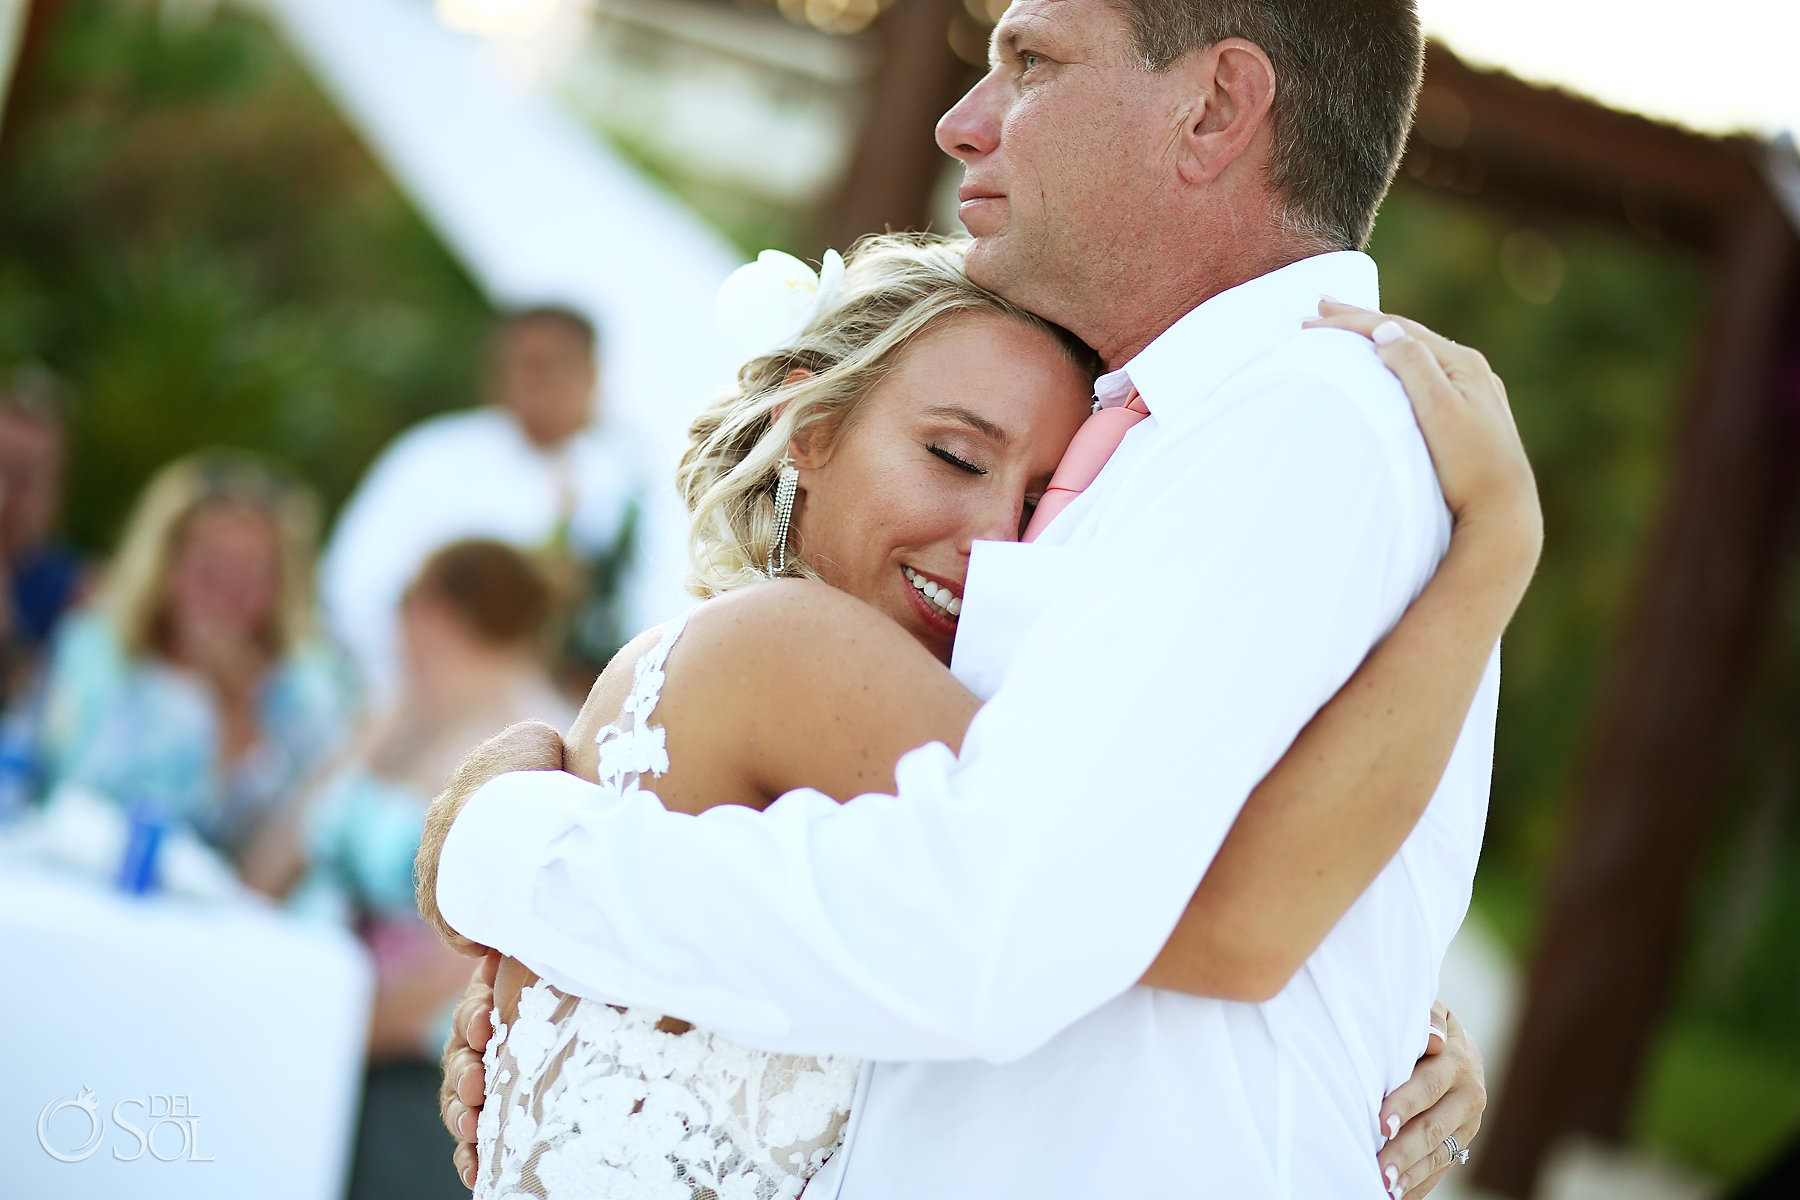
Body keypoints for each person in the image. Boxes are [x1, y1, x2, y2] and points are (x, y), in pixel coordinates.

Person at [423, 2, 1529, 1195]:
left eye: (1033, 61)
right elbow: (1109, 884)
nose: (961, 125)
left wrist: (503, 846)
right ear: (813, 429)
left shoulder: (1297, 426)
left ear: (1211, 110)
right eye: (956, 457)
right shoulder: (1153, 431)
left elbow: (1037, 918)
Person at [241, 538, 574, 1200]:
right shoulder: (397, 717)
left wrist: (323, 1035)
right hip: (306, 1028)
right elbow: (267, 873)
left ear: (428, 611)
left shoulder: (532, 747)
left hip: (408, 1076)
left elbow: (481, 958)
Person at [319, 305, 647, 703]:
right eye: (524, 366)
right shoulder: (431, 458)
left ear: (592, 375)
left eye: (555, 367)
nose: (537, 384)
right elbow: (354, 586)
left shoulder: (628, 473)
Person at [39, 450, 347, 864]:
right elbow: (62, 777)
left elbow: (274, 844)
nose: (225, 590)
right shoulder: (97, 649)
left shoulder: (304, 692)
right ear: (166, 562)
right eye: (210, 564)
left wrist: (237, 709)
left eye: (250, 573)